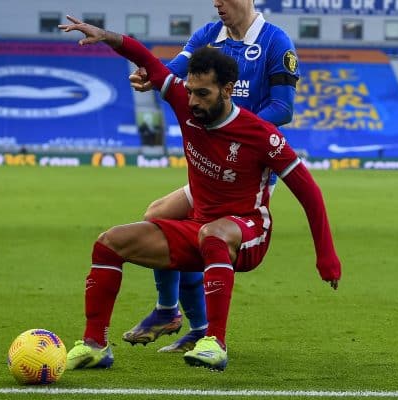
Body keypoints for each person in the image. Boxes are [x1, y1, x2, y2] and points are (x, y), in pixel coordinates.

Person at [58, 16, 340, 371]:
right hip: (201, 227)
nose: (192, 101)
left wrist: (325, 257)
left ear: (227, 90)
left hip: (248, 231)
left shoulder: (261, 134)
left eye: (202, 93)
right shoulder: (184, 103)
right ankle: (95, 344)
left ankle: (214, 342)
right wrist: (106, 36)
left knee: (214, 233)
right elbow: (149, 62)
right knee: (109, 242)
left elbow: (309, 192)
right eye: (190, 91)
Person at [124, 0, 300, 353]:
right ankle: (169, 312)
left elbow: (283, 108)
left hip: (247, 171)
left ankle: (205, 331)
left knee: (207, 238)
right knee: (156, 216)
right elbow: (175, 71)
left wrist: (236, 130)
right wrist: (151, 73)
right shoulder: (208, 35)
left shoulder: (275, 42)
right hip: (210, 168)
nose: (218, 3)